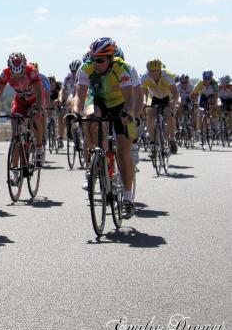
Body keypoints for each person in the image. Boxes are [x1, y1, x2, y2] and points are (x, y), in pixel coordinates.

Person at [72, 37, 135, 218]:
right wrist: (76, 112)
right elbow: (79, 95)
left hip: (119, 105)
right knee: (90, 117)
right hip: (99, 102)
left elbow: (129, 98)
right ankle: (95, 163)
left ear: (110, 58)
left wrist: (128, 113)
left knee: (123, 152)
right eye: (93, 58)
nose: (95, 63)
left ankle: (128, 198)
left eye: (100, 60)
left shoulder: (121, 69)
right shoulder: (86, 69)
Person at [0, 52, 44, 182]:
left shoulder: (31, 71)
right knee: (15, 133)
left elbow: (40, 93)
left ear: (25, 68)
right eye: (14, 75)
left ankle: (39, 148)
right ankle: (14, 171)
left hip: (35, 99)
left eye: (20, 74)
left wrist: (38, 108)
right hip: (20, 101)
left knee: (35, 119)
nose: (17, 77)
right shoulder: (5, 73)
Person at [140, 58, 179, 155]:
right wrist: (144, 102)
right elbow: (143, 92)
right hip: (153, 97)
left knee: (169, 115)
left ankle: (172, 139)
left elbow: (175, 93)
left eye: (157, 70)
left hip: (167, 96)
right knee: (150, 115)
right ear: (148, 70)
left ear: (160, 69)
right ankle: (153, 143)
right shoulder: (144, 77)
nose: (154, 73)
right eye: (151, 71)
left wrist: (173, 102)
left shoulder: (167, 76)